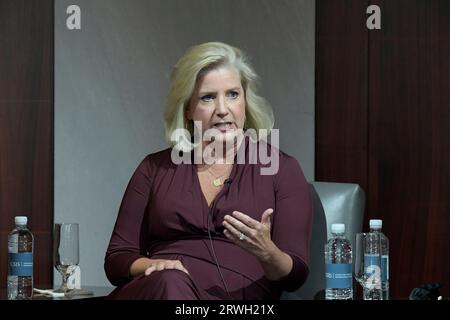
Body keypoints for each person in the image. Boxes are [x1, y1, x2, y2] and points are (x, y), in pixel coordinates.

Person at [104, 42, 312, 299]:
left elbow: (297, 275)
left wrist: (268, 253)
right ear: (188, 109)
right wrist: (154, 266)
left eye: (233, 94)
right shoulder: (154, 169)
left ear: (245, 102)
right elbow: (117, 259)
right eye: (208, 97)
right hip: (160, 291)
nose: (223, 109)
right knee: (171, 283)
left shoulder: (282, 169)